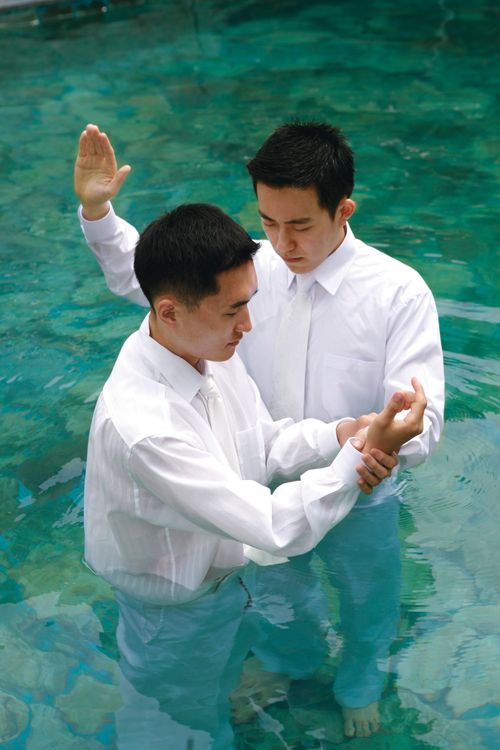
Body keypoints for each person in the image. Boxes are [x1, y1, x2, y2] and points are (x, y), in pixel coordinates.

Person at [75, 122, 444, 738]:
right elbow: (152, 279)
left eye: (298, 225)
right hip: (251, 489)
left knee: (368, 600)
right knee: (281, 599)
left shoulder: (397, 292)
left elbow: (420, 421)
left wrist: (368, 442)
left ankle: (359, 684)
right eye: (268, 222)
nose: (280, 242)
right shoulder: (249, 271)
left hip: (358, 482)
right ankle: (287, 666)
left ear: (342, 209)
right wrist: (99, 214)